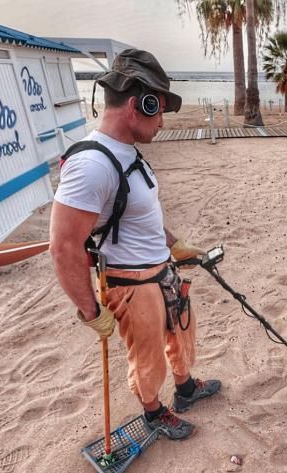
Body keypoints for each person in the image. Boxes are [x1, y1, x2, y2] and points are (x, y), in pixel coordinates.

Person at [50, 49, 221, 441]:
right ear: (136, 105)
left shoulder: (128, 153)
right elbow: (63, 247)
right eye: (157, 109)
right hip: (130, 282)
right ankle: (154, 412)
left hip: (161, 269)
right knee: (146, 357)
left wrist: (176, 246)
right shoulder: (90, 165)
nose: (161, 122)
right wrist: (90, 310)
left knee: (181, 333)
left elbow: (139, 214)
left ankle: (186, 388)